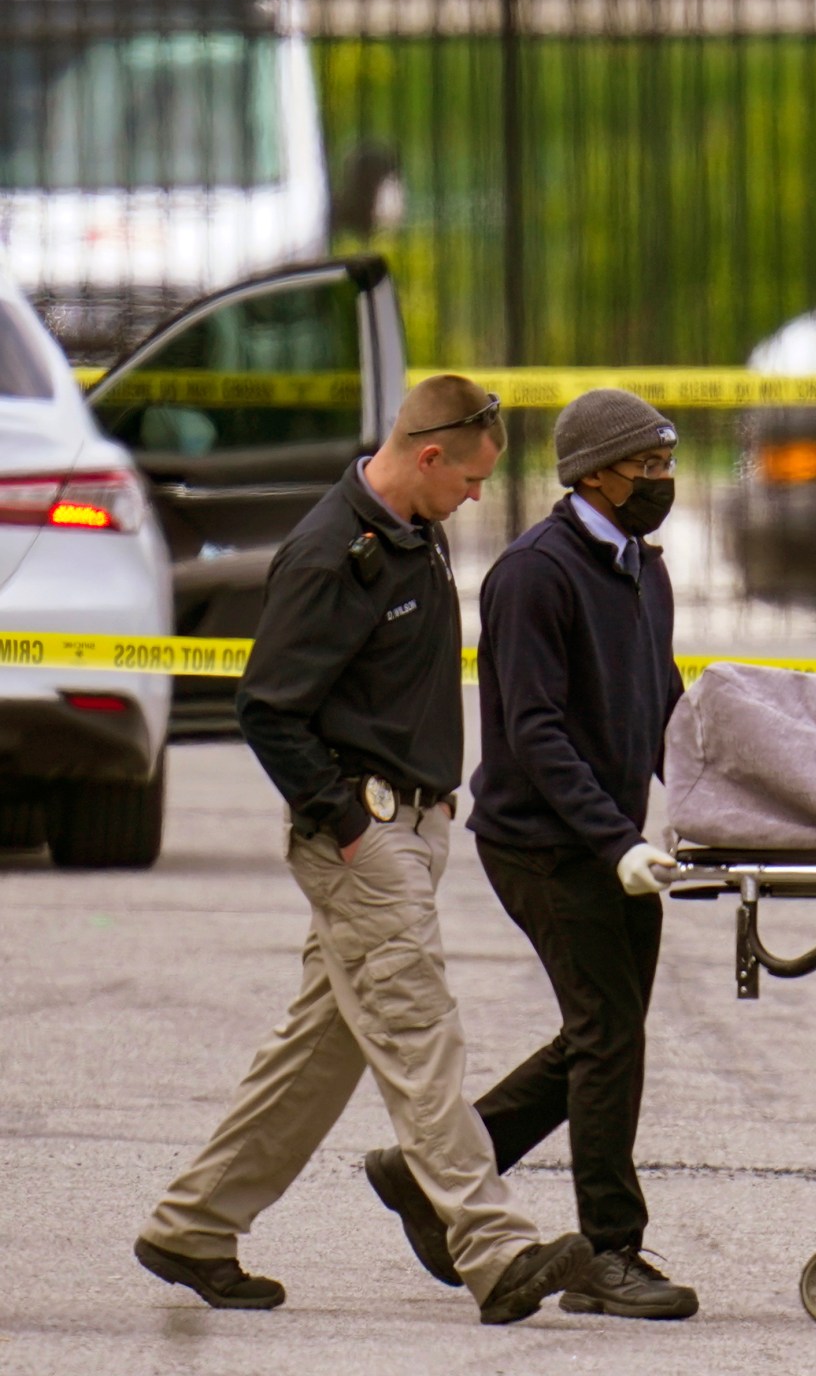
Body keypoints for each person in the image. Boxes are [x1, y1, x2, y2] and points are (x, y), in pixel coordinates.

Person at [136, 375, 591, 1324]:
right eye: (468, 481)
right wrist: (342, 823)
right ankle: (493, 1248)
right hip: (365, 837)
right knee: (423, 1039)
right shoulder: (329, 555)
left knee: (319, 1053)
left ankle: (192, 1227)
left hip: (409, 830)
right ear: (428, 455)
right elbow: (268, 708)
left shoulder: (410, 532)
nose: (475, 498)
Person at [361, 389, 693, 1319]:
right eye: (648, 467)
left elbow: (661, 706)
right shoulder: (533, 575)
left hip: (604, 841)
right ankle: (611, 1252)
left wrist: (717, 809)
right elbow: (537, 737)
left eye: (667, 464)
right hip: (544, 845)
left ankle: (430, 1173)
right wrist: (615, 839)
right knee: (607, 1037)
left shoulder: (639, 568)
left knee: (603, 1033)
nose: (661, 483)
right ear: (594, 472)